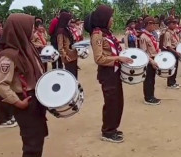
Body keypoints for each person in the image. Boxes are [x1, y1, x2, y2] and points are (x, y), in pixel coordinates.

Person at [0, 13, 48, 157]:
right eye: (30, 27)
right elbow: (0, 84)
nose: (33, 31)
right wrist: (17, 102)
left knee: (38, 137)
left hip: (35, 98)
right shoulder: (9, 55)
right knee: (31, 144)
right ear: (20, 29)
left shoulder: (28, 48)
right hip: (25, 102)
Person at [84, 5, 133, 143]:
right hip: (107, 73)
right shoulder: (97, 35)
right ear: (103, 18)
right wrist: (118, 58)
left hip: (115, 71)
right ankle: (107, 132)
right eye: (110, 17)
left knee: (118, 102)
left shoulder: (107, 33)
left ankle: (113, 128)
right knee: (111, 102)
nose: (112, 19)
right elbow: (99, 58)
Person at [0, 19, 18, 128]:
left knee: (7, 90)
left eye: (1, 25)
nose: (1, 28)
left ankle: (9, 115)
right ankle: (2, 119)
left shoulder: (0, 39)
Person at [139, 17, 161, 105]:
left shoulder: (151, 35)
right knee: (148, 79)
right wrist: (151, 61)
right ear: (148, 24)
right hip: (149, 61)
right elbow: (144, 52)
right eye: (152, 24)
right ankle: (148, 98)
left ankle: (151, 95)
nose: (154, 26)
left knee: (152, 79)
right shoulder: (143, 36)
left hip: (154, 59)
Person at [162, 16, 181, 89]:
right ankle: (170, 83)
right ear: (168, 24)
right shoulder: (167, 33)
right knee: (172, 67)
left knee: (176, 67)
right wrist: (175, 52)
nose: (175, 25)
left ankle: (174, 81)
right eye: (173, 23)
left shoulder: (174, 31)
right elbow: (168, 46)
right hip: (172, 51)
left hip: (176, 50)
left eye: (175, 23)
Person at [57, 12, 79, 78]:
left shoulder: (67, 29)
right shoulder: (60, 32)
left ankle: (76, 86)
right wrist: (65, 55)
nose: (70, 21)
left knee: (75, 75)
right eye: (69, 20)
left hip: (73, 55)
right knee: (70, 75)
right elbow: (60, 47)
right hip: (68, 57)